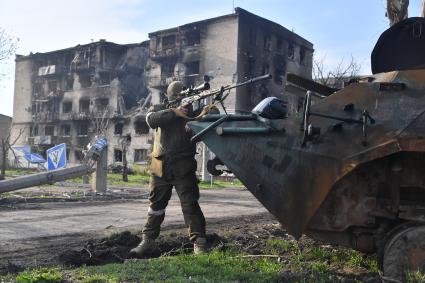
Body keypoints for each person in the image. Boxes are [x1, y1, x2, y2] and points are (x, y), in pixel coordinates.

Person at [130, 81, 207, 256]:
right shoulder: (160, 109)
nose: (182, 100)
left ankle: (199, 243)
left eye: (184, 96)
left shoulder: (194, 113)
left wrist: (200, 117)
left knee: (190, 205)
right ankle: (148, 240)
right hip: (160, 168)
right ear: (170, 98)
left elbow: (213, 114)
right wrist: (174, 112)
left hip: (183, 168)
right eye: (178, 96)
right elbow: (150, 120)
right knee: (156, 206)